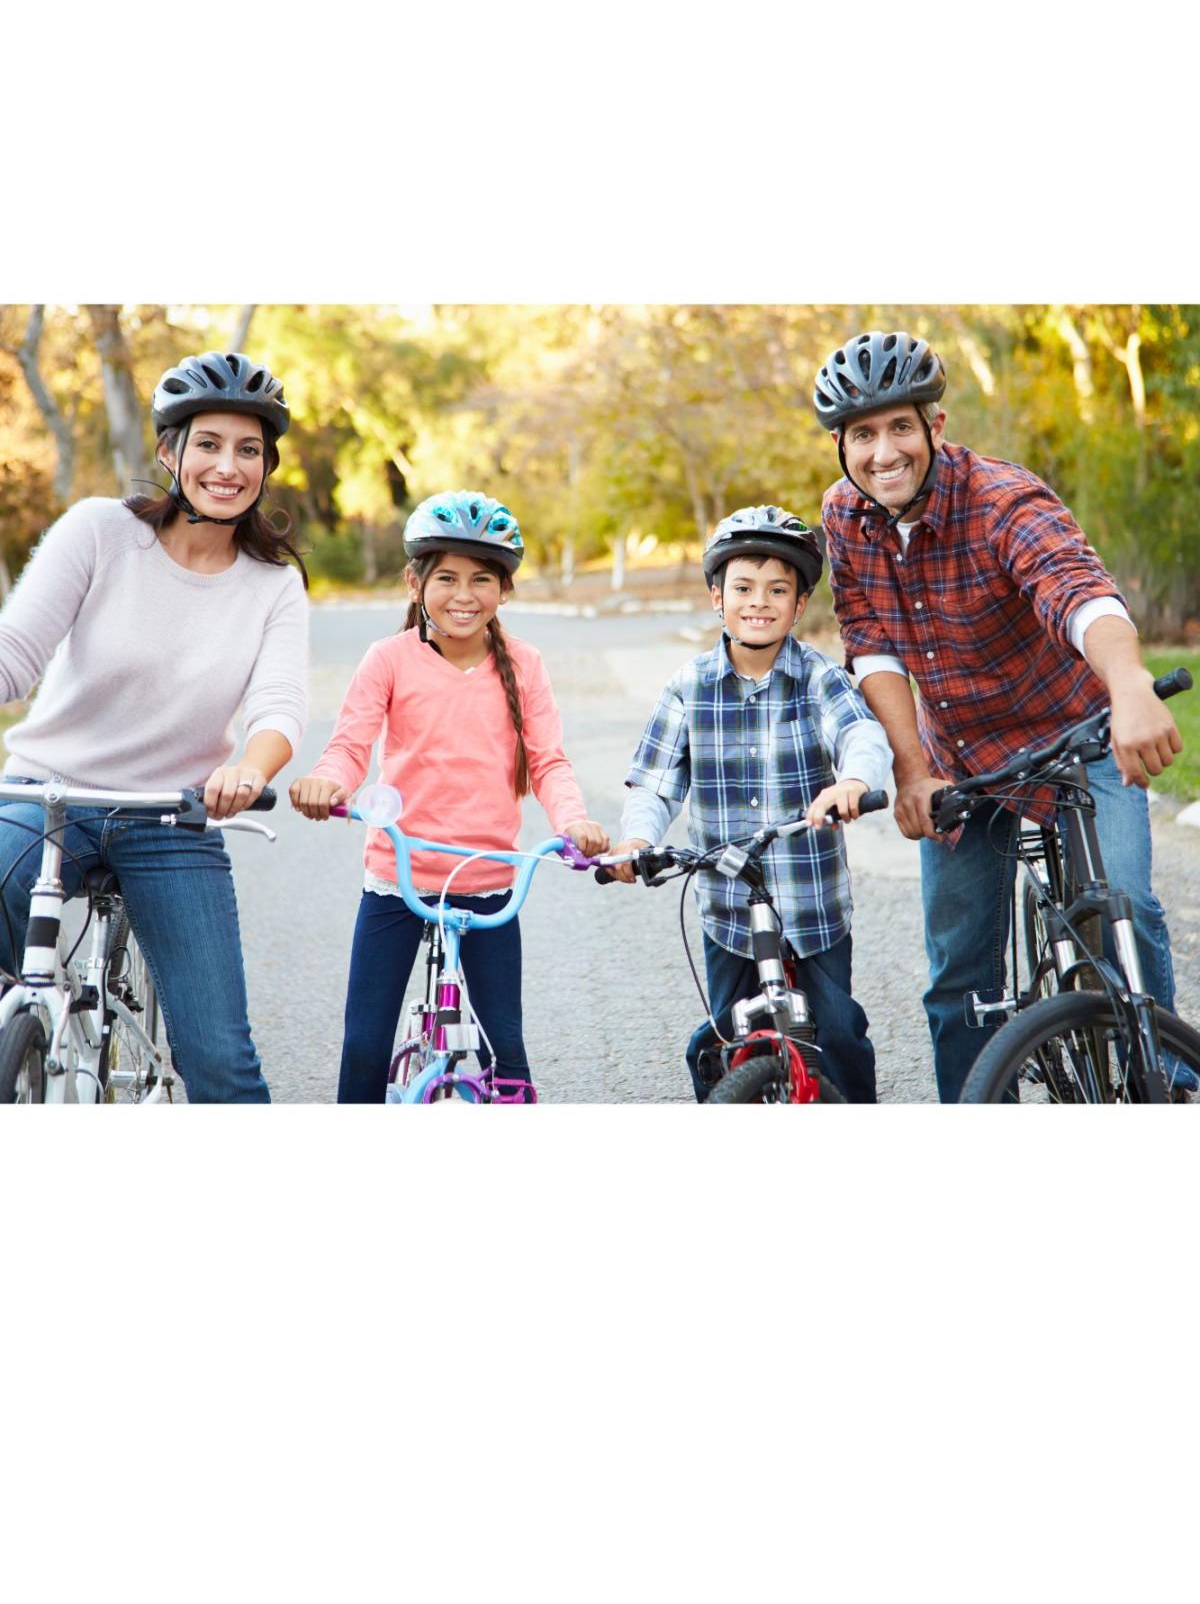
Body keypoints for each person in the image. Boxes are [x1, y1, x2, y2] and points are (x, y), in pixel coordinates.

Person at [815, 328, 1187, 1102]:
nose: (883, 452)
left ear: (935, 428)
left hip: (1077, 737)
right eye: (862, 435)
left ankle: (1171, 1083)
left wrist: (1129, 687)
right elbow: (872, 645)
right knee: (958, 976)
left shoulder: (1003, 497)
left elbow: (1079, 592)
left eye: (899, 428)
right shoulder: (845, 516)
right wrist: (913, 769)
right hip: (963, 759)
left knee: (1123, 901)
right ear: (843, 446)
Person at [0, 349, 309, 1102]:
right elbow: (15, 657)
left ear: (266, 466)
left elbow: (278, 710)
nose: (227, 466)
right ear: (171, 451)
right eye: (208, 444)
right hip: (49, 794)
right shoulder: (100, 532)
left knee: (222, 1066)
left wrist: (248, 769)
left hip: (172, 814)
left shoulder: (273, 585)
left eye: (248, 450)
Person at [289, 488, 609, 1103]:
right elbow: (350, 746)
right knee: (364, 1045)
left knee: (507, 1057)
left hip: (490, 880)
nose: (464, 595)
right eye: (447, 578)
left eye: (482, 580)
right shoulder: (387, 659)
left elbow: (548, 761)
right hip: (399, 877)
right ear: (415, 582)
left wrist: (575, 823)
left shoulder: (525, 663)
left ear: (505, 590)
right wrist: (329, 782)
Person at [609, 505, 892, 1102]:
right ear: (717, 596)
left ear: (799, 603)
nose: (758, 601)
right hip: (728, 906)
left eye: (777, 590)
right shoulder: (690, 687)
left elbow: (859, 735)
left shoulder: (818, 678)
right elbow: (656, 783)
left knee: (837, 1032)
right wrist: (638, 842)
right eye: (742, 587)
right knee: (717, 1042)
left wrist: (853, 782)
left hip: (811, 902)